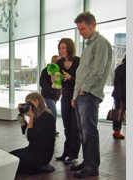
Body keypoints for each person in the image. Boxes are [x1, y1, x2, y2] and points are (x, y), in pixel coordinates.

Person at [70, 12, 112, 178]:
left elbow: (98, 71)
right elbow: (81, 73)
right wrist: (75, 95)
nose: (81, 33)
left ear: (93, 25)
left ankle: (92, 167)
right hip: (81, 95)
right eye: (79, 30)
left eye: (83, 29)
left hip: (89, 94)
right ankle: (87, 162)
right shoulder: (87, 45)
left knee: (89, 132)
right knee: (83, 131)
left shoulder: (101, 43)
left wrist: (84, 90)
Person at [10, 92, 56, 174]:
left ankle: (39, 166)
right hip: (32, 150)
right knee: (9, 156)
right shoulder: (37, 114)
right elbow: (26, 133)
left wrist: (31, 117)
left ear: (37, 101)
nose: (28, 106)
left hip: (41, 156)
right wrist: (22, 120)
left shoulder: (46, 116)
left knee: (11, 162)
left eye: (29, 103)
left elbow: (31, 137)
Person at [54, 38, 80, 164]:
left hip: (76, 97)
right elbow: (56, 81)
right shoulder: (59, 62)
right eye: (60, 48)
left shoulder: (78, 61)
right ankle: (66, 152)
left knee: (75, 127)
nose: (61, 50)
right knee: (67, 126)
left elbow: (82, 81)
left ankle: (73, 154)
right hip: (65, 97)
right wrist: (54, 79)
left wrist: (71, 77)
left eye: (64, 48)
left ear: (70, 48)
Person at [40, 55, 62, 136]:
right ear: (51, 61)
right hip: (47, 95)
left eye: (57, 60)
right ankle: (52, 130)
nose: (55, 61)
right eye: (54, 60)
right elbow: (42, 83)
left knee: (48, 113)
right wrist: (51, 87)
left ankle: (46, 128)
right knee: (53, 111)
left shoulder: (60, 71)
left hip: (55, 96)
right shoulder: (45, 71)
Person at [111, 56, 126, 139]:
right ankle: (116, 131)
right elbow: (117, 82)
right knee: (119, 113)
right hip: (120, 95)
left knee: (120, 113)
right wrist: (119, 95)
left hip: (124, 95)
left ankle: (117, 131)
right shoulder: (121, 67)